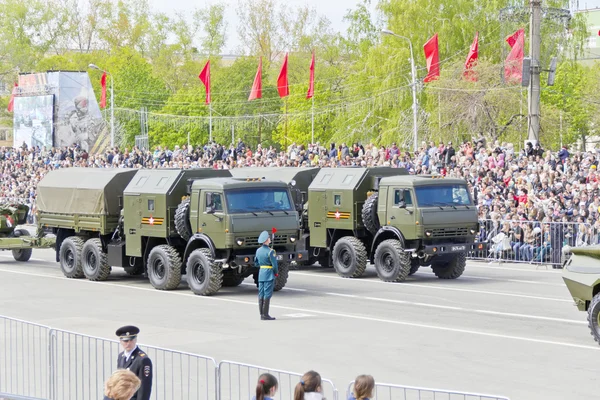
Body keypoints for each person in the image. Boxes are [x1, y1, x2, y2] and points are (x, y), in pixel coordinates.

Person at [115, 325, 152, 400]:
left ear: (135, 340)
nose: (128, 343)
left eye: (131, 340)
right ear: (121, 341)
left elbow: (144, 386)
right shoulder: (121, 356)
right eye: (125, 341)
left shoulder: (142, 359)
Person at [254, 230, 279, 320]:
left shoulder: (258, 251)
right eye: (268, 238)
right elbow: (274, 265)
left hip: (261, 273)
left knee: (261, 294)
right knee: (267, 294)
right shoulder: (271, 251)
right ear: (265, 240)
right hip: (269, 274)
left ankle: (261, 314)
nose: (270, 239)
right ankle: (265, 315)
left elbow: (256, 263)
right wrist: (276, 273)